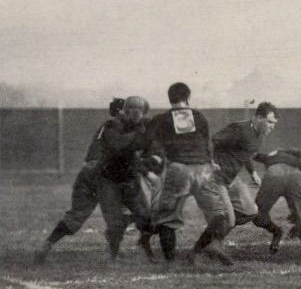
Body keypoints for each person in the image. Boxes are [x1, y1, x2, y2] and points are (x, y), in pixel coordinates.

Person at [187, 102, 278, 266]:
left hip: (232, 179)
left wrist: (253, 172)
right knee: (228, 219)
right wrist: (211, 161)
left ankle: (214, 242)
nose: (272, 126)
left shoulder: (259, 136)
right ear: (258, 118)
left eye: (274, 123)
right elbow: (213, 141)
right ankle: (201, 249)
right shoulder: (240, 129)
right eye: (270, 122)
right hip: (217, 177)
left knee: (251, 210)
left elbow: (246, 153)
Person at [34, 98, 124, 263]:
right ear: (120, 111)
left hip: (87, 171)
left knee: (76, 216)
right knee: (117, 217)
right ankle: (114, 256)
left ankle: (48, 244)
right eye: (130, 109)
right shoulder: (118, 125)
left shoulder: (105, 125)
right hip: (103, 174)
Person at [147, 82, 228, 263]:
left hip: (179, 168)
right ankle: (211, 245)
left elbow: (152, 146)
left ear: (170, 98)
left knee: (168, 218)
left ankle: (170, 264)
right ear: (188, 97)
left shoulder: (161, 119)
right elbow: (208, 145)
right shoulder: (199, 116)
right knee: (219, 214)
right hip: (204, 168)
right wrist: (211, 162)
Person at [95, 95, 154, 259]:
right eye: (133, 109)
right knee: (115, 223)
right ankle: (113, 255)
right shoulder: (113, 124)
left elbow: (146, 149)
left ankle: (144, 244)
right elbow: (118, 146)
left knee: (148, 217)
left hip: (129, 179)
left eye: (140, 110)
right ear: (125, 110)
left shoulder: (141, 126)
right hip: (109, 180)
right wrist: (139, 135)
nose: (137, 113)